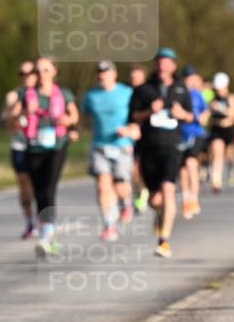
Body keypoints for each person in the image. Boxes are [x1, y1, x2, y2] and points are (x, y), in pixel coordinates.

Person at [129, 48, 194, 258]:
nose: (162, 66)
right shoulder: (144, 89)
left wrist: (181, 114)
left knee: (168, 189)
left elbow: (191, 117)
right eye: (159, 62)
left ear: (173, 66)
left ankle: (164, 240)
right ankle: (160, 215)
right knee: (155, 200)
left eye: (167, 62)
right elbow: (133, 116)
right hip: (149, 147)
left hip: (172, 146)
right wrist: (150, 111)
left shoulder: (181, 88)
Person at [11, 57, 79, 258]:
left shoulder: (64, 94)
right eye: (38, 70)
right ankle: (48, 232)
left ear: (54, 72)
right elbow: (11, 120)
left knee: (49, 187)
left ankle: (46, 233)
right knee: (38, 190)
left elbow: (74, 116)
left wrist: (66, 120)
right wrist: (24, 113)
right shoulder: (25, 94)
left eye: (46, 69)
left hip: (57, 145)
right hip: (33, 146)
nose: (42, 74)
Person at [82, 60, 136, 242]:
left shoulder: (127, 93)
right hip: (99, 145)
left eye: (105, 72)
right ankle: (109, 225)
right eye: (99, 72)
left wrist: (129, 130)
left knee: (120, 184)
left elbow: (136, 116)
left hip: (122, 144)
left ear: (114, 74)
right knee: (102, 184)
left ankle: (126, 202)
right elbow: (84, 117)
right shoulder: (91, 96)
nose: (102, 75)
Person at [2, 61, 38, 239]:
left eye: (30, 73)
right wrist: (16, 113)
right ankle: (30, 221)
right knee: (24, 185)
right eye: (22, 73)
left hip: (40, 145)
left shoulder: (44, 93)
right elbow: (7, 126)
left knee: (39, 185)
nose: (26, 77)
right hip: (20, 145)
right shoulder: (13, 96)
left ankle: (43, 220)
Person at [178, 65, 209, 219]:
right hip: (180, 134)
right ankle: (186, 198)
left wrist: (203, 117)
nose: (188, 81)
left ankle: (194, 197)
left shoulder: (197, 95)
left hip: (196, 133)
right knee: (183, 169)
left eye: (191, 78)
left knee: (191, 163)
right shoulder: (178, 93)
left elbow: (205, 110)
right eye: (186, 78)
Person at [206, 72, 234, 194]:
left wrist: (220, 108)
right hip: (217, 129)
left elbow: (233, 114)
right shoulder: (213, 99)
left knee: (229, 155)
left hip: (228, 129)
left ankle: (231, 169)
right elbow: (208, 114)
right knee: (217, 153)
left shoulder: (231, 98)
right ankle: (216, 181)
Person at [128, 64, 149, 214]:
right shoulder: (126, 94)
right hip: (129, 137)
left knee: (144, 169)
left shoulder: (149, 94)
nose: (134, 81)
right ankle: (140, 192)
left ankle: (145, 191)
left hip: (147, 137)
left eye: (137, 79)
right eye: (132, 78)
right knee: (133, 170)